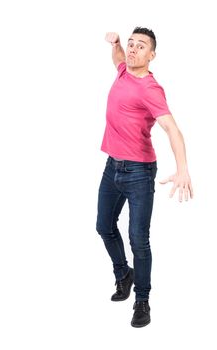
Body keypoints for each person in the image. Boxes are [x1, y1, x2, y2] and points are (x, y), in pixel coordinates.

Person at [95, 27, 194, 328]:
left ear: (152, 55)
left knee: (139, 239)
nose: (134, 49)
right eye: (131, 44)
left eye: (142, 46)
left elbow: (172, 129)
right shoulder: (124, 69)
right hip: (113, 167)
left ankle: (142, 300)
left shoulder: (151, 89)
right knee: (104, 226)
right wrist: (115, 44)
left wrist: (183, 168)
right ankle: (123, 273)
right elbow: (118, 59)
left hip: (138, 172)